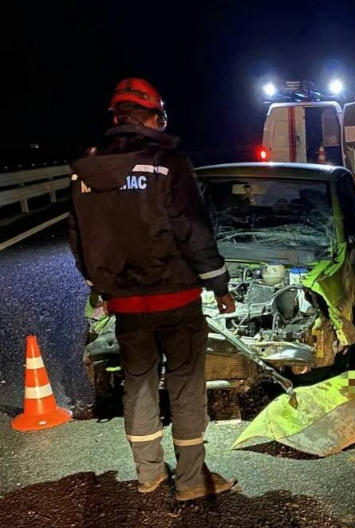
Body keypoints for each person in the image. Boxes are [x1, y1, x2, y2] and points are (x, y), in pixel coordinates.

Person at [69, 78, 237, 501]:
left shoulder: (85, 170)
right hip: (176, 298)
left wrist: (100, 288)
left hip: (126, 305)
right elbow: (191, 229)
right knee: (184, 387)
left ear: (116, 117)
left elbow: (78, 237)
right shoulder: (168, 164)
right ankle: (191, 481)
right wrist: (217, 282)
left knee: (138, 385)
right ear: (152, 116)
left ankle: (148, 475)